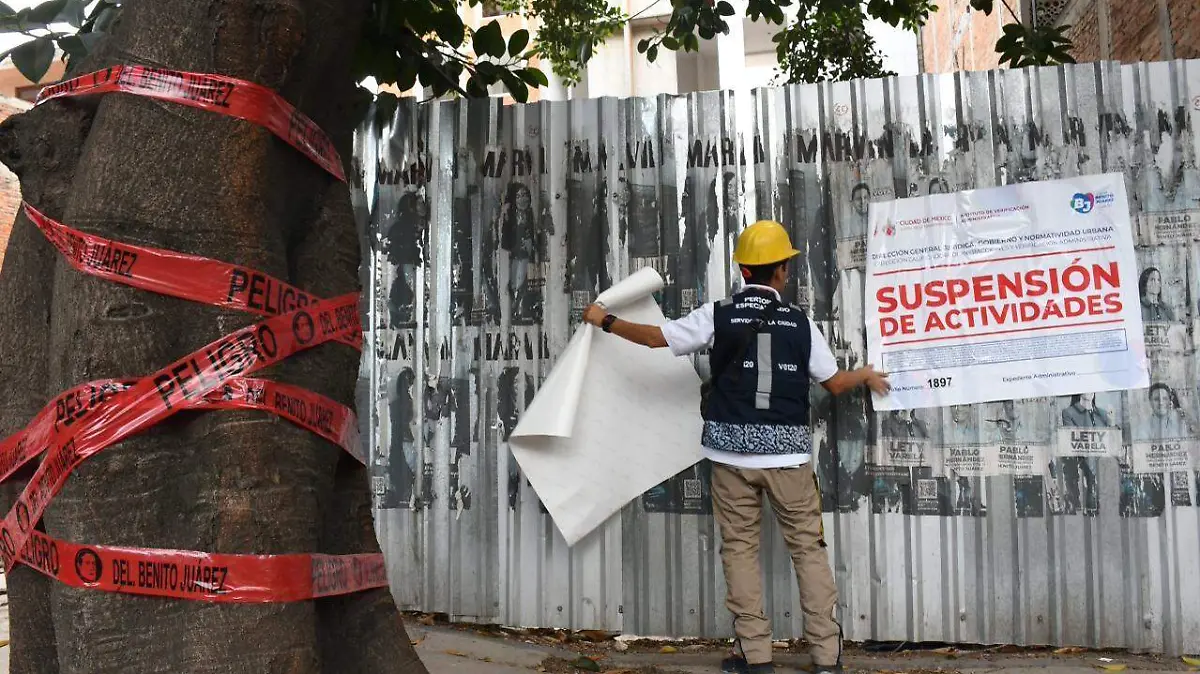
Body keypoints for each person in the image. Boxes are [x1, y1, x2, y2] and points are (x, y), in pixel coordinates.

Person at [582, 220, 890, 674]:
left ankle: (756, 654)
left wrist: (603, 319)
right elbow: (835, 383)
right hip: (788, 458)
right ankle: (827, 657)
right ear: (782, 271)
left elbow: (655, 337)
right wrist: (864, 375)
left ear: (744, 270)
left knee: (741, 550)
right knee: (807, 550)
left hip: (730, 458)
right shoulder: (800, 323)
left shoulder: (718, 313)